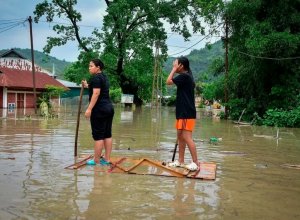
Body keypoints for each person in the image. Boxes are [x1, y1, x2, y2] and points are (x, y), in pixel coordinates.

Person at [166, 56, 199, 171]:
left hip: (186, 112)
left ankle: (195, 162)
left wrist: (174, 70)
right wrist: (175, 68)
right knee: (180, 136)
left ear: (181, 66)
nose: (174, 66)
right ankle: (180, 161)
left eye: (176, 64)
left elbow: (168, 81)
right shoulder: (186, 77)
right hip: (182, 112)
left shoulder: (185, 76)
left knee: (186, 137)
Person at [83, 58, 114, 166]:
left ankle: (96, 161)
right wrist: (87, 86)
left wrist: (89, 109)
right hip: (109, 108)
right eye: (89, 66)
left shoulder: (96, 78)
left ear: (98, 67)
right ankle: (107, 159)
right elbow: (97, 89)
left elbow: (96, 93)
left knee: (98, 136)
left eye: (91, 66)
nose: (89, 68)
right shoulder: (104, 77)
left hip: (99, 110)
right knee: (107, 134)